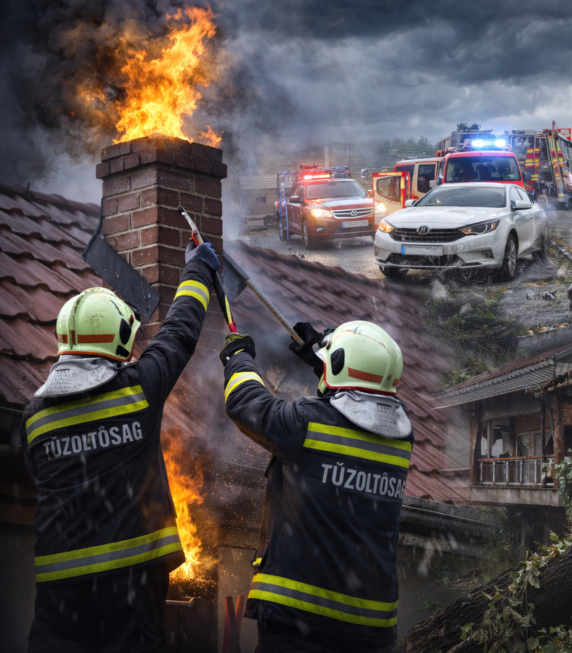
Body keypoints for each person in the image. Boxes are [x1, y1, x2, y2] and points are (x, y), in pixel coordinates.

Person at [20, 241, 220, 652]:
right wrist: (198, 268)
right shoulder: (139, 392)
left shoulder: (34, 416)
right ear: (120, 339)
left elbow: (39, 475)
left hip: (60, 600)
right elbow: (179, 332)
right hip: (131, 594)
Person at [222, 320, 413, 653]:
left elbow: (244, 401)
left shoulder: (306, 424)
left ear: (337, 367)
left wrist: (238, 358)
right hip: (371, 632)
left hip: (298, 625)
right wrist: (320, 356)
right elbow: (361, 392)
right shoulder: (401, 437)